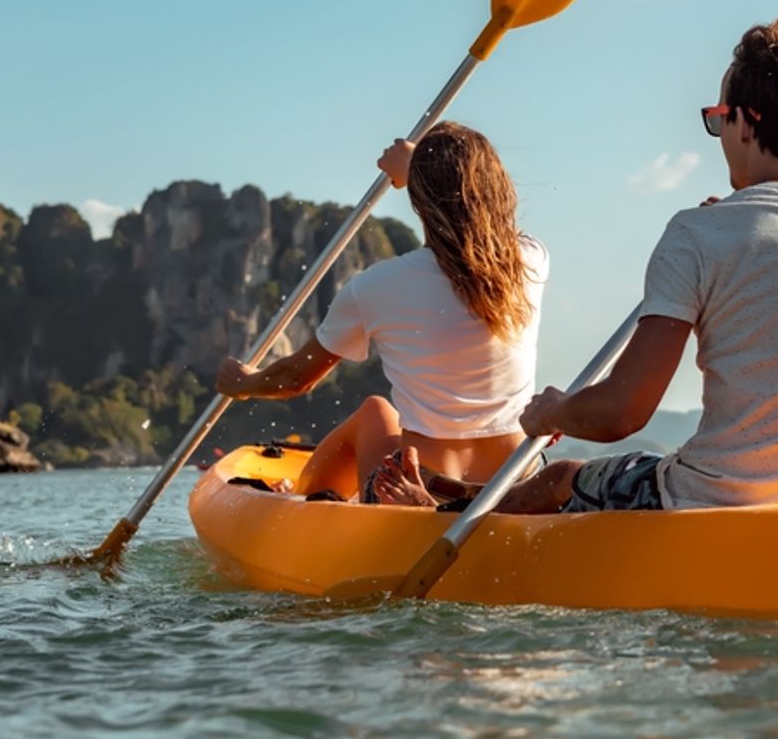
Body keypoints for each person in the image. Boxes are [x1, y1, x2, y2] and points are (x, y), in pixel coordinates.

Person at [422, 14, 778, 514]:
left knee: (564, 478)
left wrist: (553, 412)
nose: (719, 133)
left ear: (745, 123)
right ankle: (467, 497)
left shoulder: (695, 235)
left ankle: (447, 516)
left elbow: (622, 411)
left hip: (710, 500)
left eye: (718, 119)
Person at [214, 121, 547, 504]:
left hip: (420, 489)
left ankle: (303, 506)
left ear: (422, 197)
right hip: (517, 484)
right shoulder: (531, 261)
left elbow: (295, 379)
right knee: (383, 415)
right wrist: (419, 172)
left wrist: (243, 384)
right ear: (498, 188)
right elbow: (481, 227)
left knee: (375, 411)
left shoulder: (374, 287)